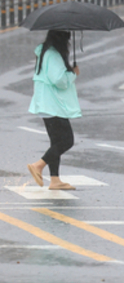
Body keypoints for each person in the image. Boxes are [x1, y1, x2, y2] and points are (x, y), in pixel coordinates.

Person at [27, 30, 79, 191]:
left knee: (56, 142)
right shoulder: (54, 54)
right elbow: (59, 81)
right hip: (53, 104)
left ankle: (55, 179)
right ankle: (38, 165)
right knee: (66, 141)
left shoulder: (44, 50)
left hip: (46, 103)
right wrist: (72, 74)